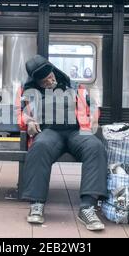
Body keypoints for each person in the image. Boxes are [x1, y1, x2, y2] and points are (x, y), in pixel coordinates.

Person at [18, 55, 107, 231]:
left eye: (50, 77)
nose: (49, 82)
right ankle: (37, 204)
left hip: (76, 131)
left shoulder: (75, 87)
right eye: (44, 82)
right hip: (49, 132)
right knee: (40, 146)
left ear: (53, 71)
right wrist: (28, 121)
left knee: (95, 147)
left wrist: (91, 120)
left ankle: (88, 207)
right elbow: (19, 113)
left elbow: (94, 108)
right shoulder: (28, 91)